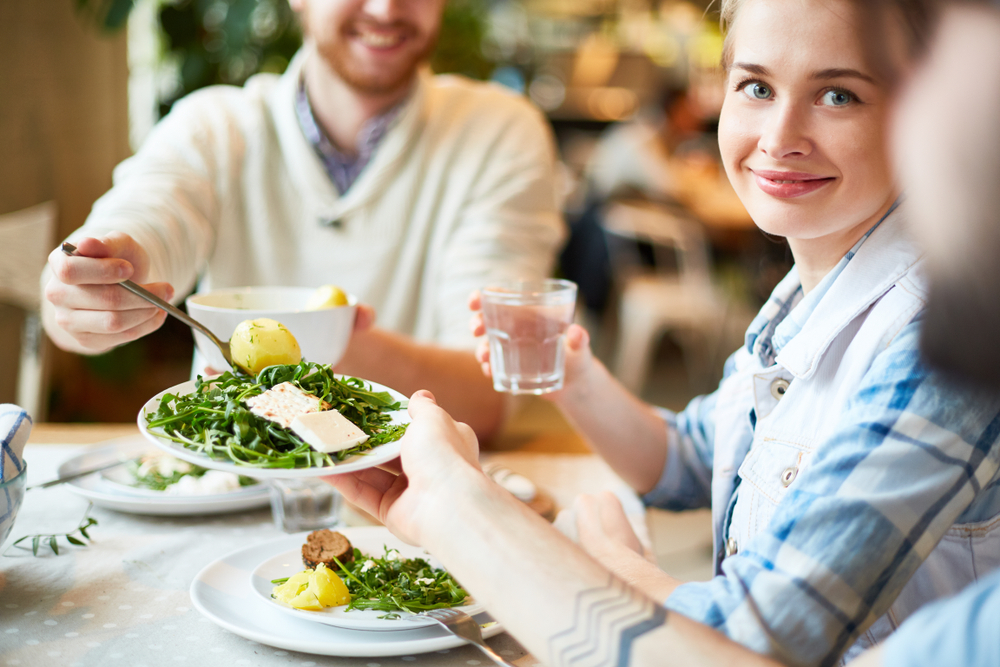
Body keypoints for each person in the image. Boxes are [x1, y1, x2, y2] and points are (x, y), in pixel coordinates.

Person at [330, 0, 1000, 665]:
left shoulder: (938, 338)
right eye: (757, 87)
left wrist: (615, 563)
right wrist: (573, 377)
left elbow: (748, 633)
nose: (779, 136)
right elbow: (691, 459)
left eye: (838, 95)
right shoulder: (807, 295)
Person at [40, 0, 564, 440]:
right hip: (233, 484)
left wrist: (307, 340)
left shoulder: (500, 133)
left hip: (415, 493)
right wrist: (96, 276)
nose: (386, 9)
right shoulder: (215, 127)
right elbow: (148, 214)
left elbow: (488, 394)